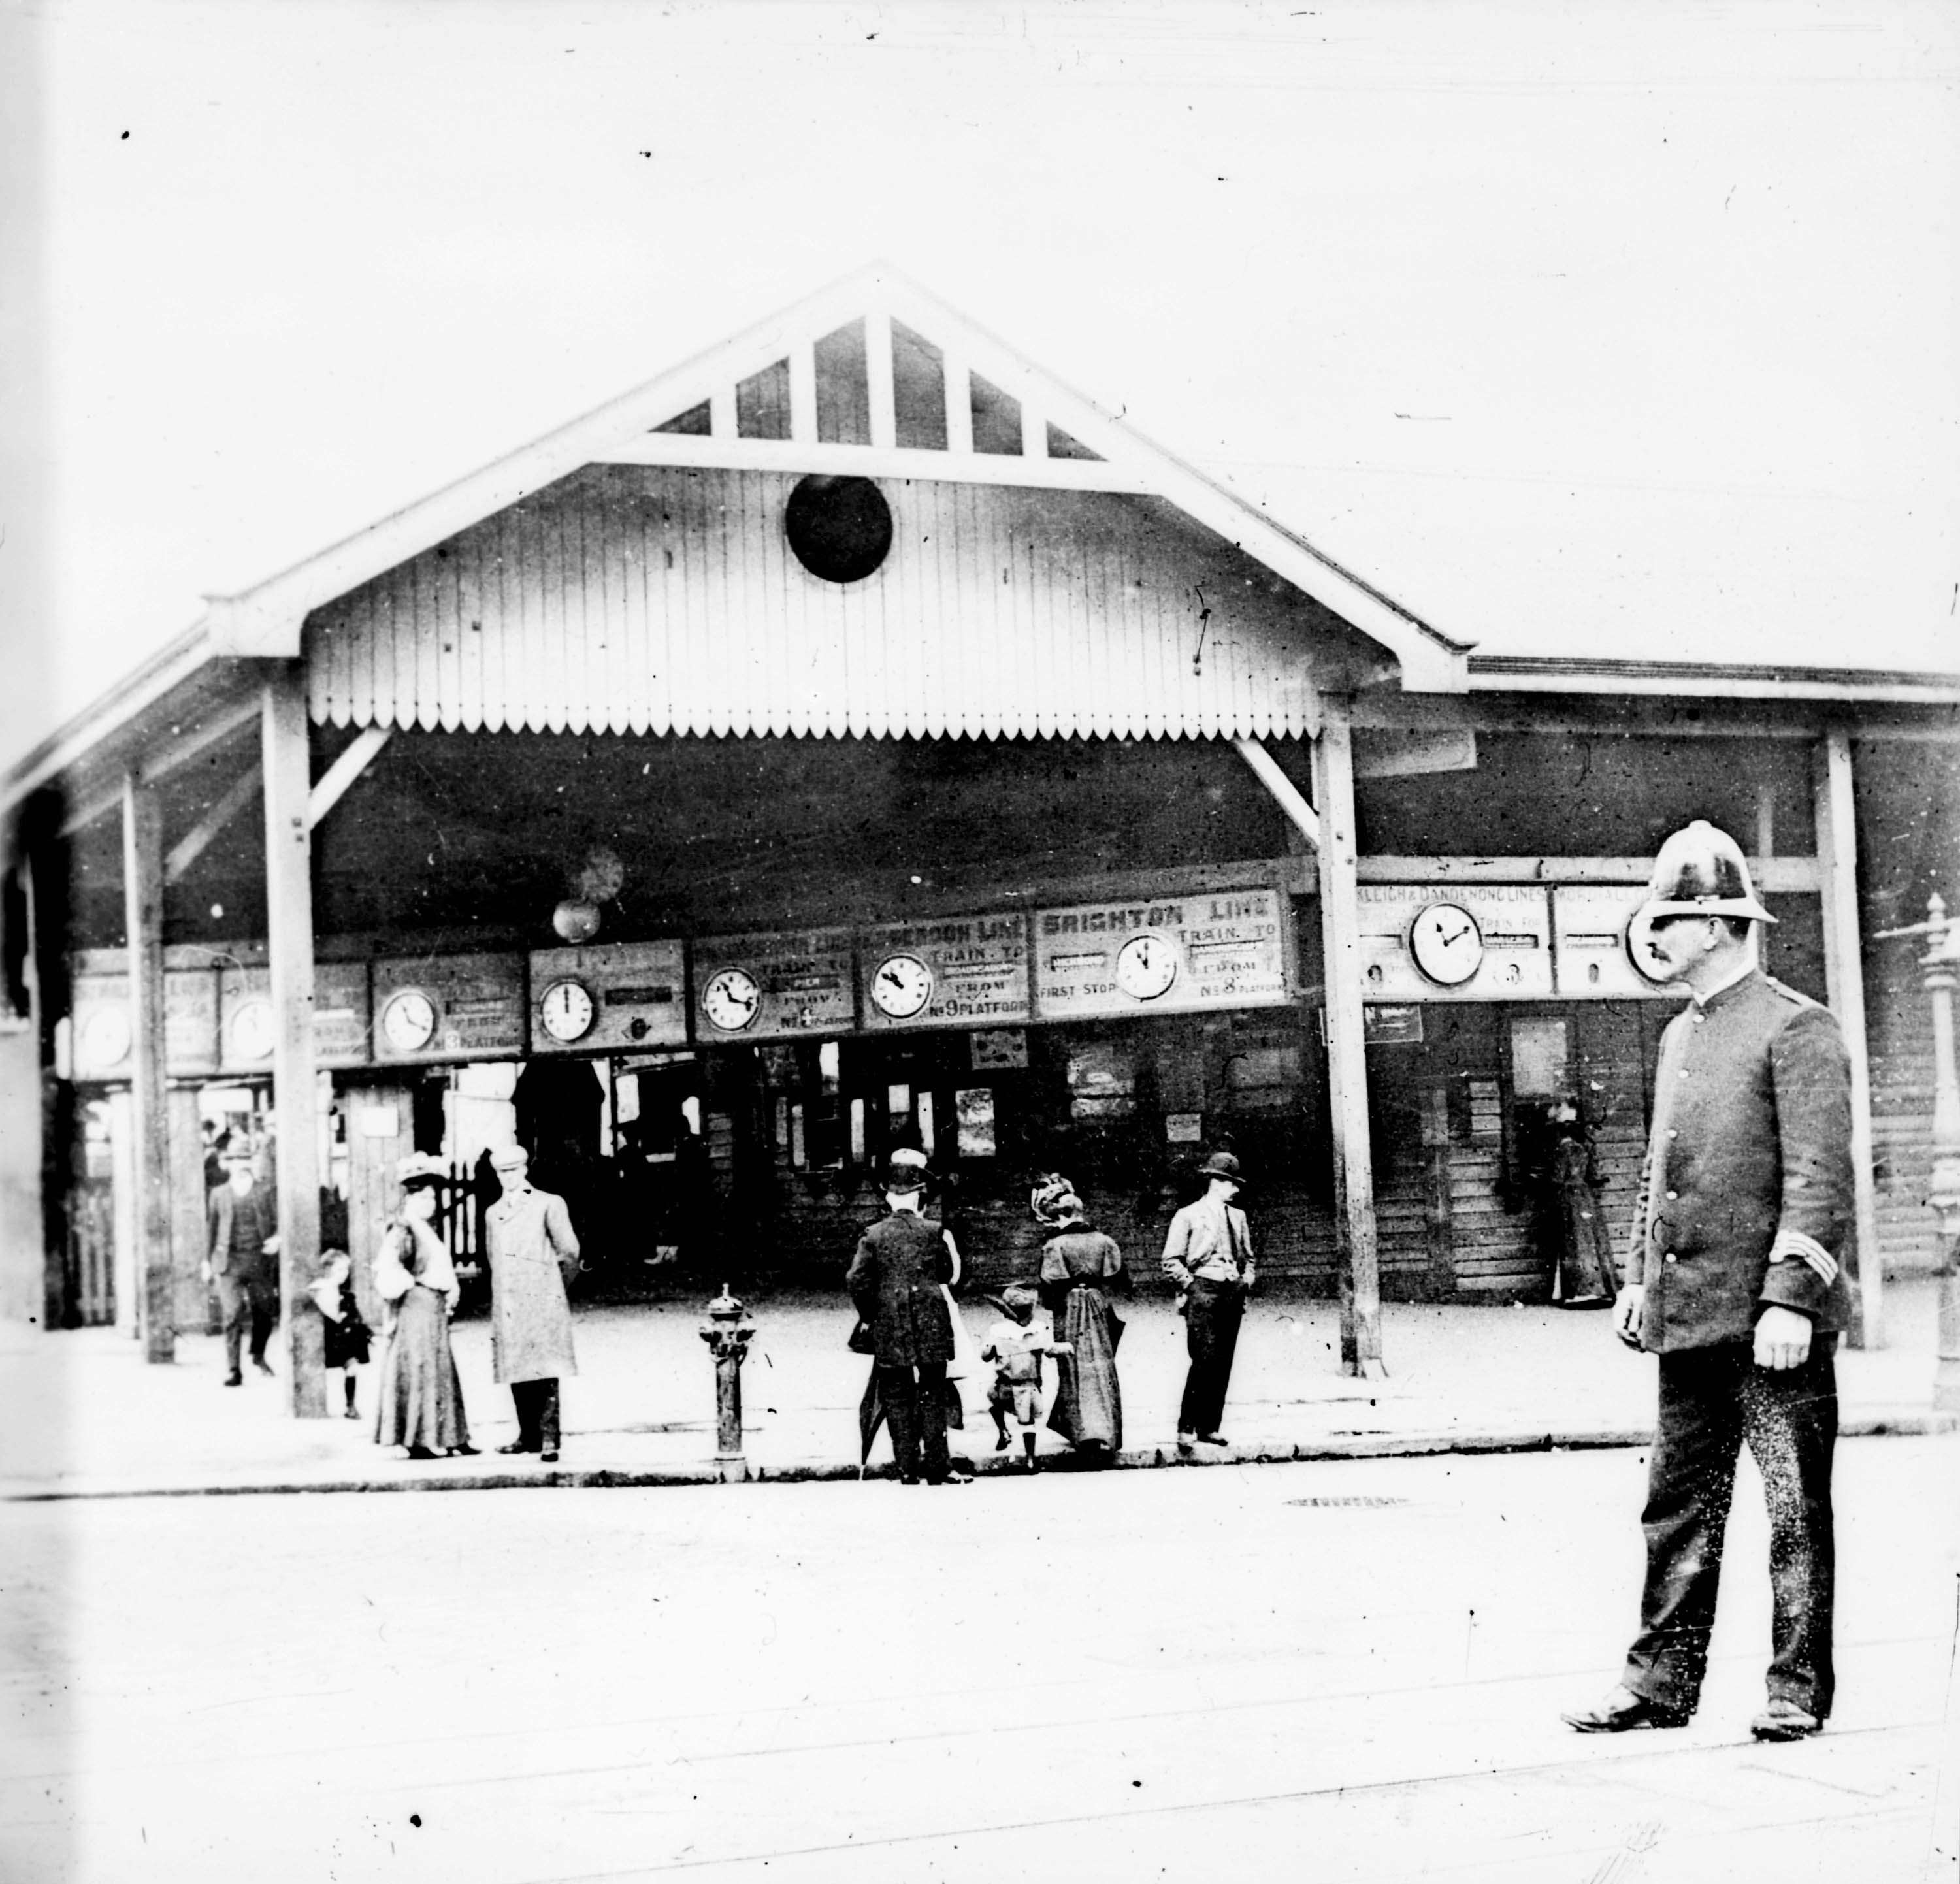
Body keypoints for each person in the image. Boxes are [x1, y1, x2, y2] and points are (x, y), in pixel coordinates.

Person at [1564, 821, 1855, 1745]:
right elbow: (1664, 1172)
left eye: (1671, 920)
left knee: (1791, 1510)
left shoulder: (1797, 1026)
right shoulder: (1676, 1037)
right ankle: (1658, 1684)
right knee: (1676, 1505)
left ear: (1722, 926)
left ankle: (1795, 1690)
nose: (1657, 936)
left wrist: (1789, 1300)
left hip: (1772, 1326)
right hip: (1690, 1319)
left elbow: (1820, 1178)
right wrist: (1644, 1283)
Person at [846, 1154, 972, 1485]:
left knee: (897, 1393)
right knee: (934, 1391)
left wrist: (873, 1314)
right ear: (919, 1197)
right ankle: (938, 1467)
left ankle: (907, 1469)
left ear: (888, 1198)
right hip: (932, 1320)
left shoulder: (872, 1235)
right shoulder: (934, 1231)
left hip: (890, 1323)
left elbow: (857, 1281)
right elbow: (947, 1274)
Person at [372, 1154, 474, 1459]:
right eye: (424, 1197)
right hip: (417, 1310)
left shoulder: (425, 1228)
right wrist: (413, 1284)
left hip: (434, 1310)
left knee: (440, 1371)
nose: (430, 1203)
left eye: (433, 1197)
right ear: (411, 1199)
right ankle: (418, 1440)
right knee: (420, 1372)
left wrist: (450, 1288)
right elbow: (388, 1269)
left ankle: (452, 1438)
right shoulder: (403, 1230)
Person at [484, 1143, 580, 1463]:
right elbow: (492, 1260)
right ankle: (527, 1437)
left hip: (542, 1300)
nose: (508, 1178)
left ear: (525, 1170)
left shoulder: (548, 1204)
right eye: (502, 1172)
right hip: (509, 1303)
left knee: (546, 1367)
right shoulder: (493, 1213)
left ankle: (550, 1439)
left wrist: (553, 1288)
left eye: (513, 1170)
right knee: (515, 1365)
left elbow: (569, 1253)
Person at [1161, 1150, 1256, 1451]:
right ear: (1215, 1182)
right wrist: (1192, 1286)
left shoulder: (1238, 1217)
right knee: (1203, 1359)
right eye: (1231, 1183)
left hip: (1231, 1292)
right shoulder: (1188, 1215)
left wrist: (1246, 1280)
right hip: (1202, 1290)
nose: (1236, 1189)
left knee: (1224, 1361)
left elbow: (1249, 1258)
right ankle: (1186, 1427)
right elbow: (1171, 1260)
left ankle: (1210, 1427)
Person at [1032, 1173, 1128, 1457]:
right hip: (1097, 1304)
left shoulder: (1056, 1244)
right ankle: (1105, 1430)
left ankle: (1082, 1431)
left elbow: (1050, 1283)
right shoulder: (1104, 1240)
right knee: (1101, 1364)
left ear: (1062, 1216)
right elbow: (1117, 1276)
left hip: (1070, 1306)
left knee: (1073, 1364)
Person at [203, 1144, 280, 1386]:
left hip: (259, 1260)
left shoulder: (265, 1191)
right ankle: (234, 1369)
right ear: (228, 1163)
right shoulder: (219, 1193)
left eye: (245, 1158)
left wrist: (277, 1238)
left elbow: (280, 1221)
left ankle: (258, 1354)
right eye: (235, 1158)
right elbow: (211, 1228)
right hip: (229, 1263)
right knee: (232, 1314)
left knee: (265, 1311)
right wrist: (207, 1261)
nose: (241, 1163)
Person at [980, 1284, 1071, 1472]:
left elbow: (986, 1355)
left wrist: (991, 1346)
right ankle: (1031, 1458)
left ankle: (1003, 1431)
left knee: (995, 1404)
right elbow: (1050, 1350)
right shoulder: (1038, 1330)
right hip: (1028, 1385)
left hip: (1004, 1384)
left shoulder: (998, 1331)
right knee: (1027, 1422)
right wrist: (1068, 1348)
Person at [1544, 1099, 1617, 1308]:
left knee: (1572, 1241)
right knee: (1590, 1240)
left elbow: (1557, 1178)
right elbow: (1594, 1174)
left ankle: (1581, 1291)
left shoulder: (1562, 1150)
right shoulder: (1585, 1147)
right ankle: (1601, 1289)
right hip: (1586, 1196)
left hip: (1568, 1197)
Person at [308, 1248, 373, 1419]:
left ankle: (350, 1406)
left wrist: (366, 1332)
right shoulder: (320, 1290)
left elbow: (355, 1317)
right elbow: (331, 1314)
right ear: (328, 1270)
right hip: (326, 1339)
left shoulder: (347, 1296)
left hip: (343, 1342)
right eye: (339, 1270)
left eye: (346, 1270)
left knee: (352, 1368)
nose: (343, 1274)